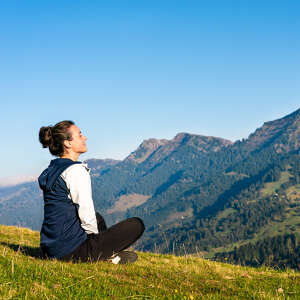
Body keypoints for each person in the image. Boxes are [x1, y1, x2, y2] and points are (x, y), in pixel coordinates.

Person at [38, 120, 145, 264]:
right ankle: (106, 256)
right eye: (80, 135)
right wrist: (98, 242)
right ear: (68, 143)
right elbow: (85, 211)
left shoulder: (53, 169)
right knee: (136, 225)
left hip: (50, 249)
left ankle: (106, 253)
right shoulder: (75, 171)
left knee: (97, 217)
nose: (85, 138)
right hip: (69, 252)